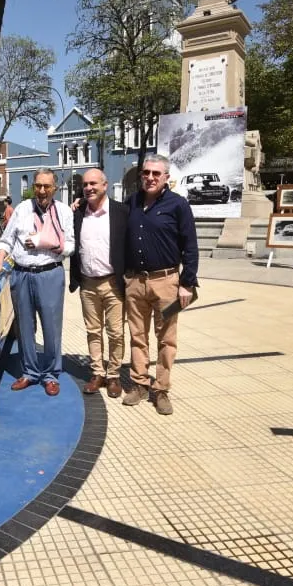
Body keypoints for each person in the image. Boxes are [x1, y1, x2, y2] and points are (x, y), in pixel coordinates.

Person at [0, 169, 74, 397]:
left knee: (51, 328)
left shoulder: (63, 212)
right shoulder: (22, 209)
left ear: (54, 188)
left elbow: (71, 246)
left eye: (46, 186)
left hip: (50, 273)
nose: (42, 191)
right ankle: (29, 372)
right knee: (24, 326)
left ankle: (51, 375)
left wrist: (47, 243)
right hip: (21, 274)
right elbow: (6, 239)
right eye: (38, 186)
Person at [123, 154, 199, 414]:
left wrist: (187, 283)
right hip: (135, 282)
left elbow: (190, 246)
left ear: (166, 177)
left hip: (167, 282)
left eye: (156, 173)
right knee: (137, 336)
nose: (150, 177)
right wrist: (79, 204)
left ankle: (161, 389)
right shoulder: (131, 202)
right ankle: (139, 384)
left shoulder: (178, 205)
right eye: (146, 173)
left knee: (167, 338)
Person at [69, 168, 128, 398]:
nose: (89, 188)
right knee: (93, 331)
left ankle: (113, 375)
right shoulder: (78, 212)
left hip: (113, 282)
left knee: (115, 333)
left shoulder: (121, 212)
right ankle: (97, 373)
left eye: (93, 183)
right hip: (88, 283)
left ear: (105, 185)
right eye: (85, 184)